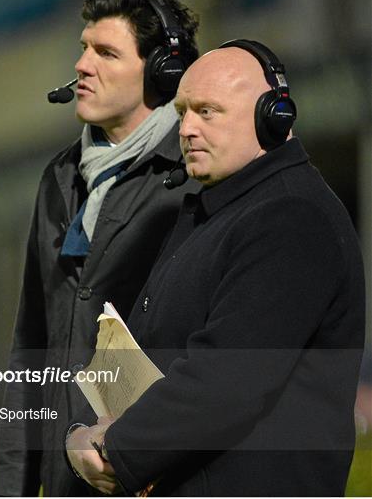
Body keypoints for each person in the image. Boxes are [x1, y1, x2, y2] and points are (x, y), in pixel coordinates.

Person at [66, 40, 365, 496]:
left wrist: (112, 448)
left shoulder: (291, 216)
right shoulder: (221, 211)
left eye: (207, 111)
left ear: (273, 118)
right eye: (183, 110)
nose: (185, 128)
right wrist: (94, 433)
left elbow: (226, 378)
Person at [0, 0, 200, 497]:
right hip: (64, 480)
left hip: (150, 478)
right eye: (84, 48)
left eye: (106, 52)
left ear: (160, 71)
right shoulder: (59, 178)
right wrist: (8, 488)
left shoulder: (195, 177)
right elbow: (30, 352)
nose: (83, 65)